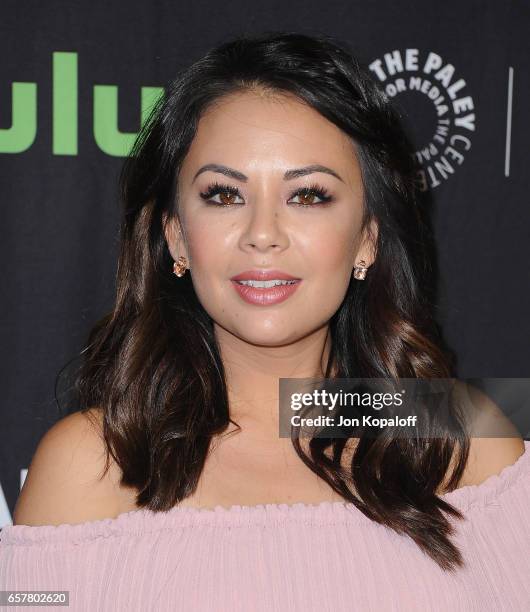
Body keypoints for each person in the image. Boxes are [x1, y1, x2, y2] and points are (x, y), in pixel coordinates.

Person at [1, 31, 528, 611]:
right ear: (175, 235)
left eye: (309, 196)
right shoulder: (89, 461)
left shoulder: (460, 429)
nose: (262, 234)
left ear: (367, 239)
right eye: (224, 195)